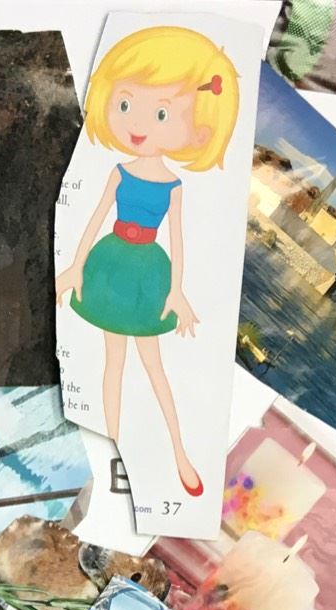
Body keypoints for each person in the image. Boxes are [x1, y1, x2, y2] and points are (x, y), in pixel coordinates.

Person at [53, 26, 239, 496]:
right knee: (112, 363)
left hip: (148, 274)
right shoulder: (118, 171)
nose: (139, 125)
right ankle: (113, 457)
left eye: (161, 113)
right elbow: (95, 218)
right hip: (109, 265)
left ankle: (179, 452)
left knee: (155, 368)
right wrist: (74, 267)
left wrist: (176, 292)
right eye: (126, 104)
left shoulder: (174, 186)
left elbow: (178, 242)